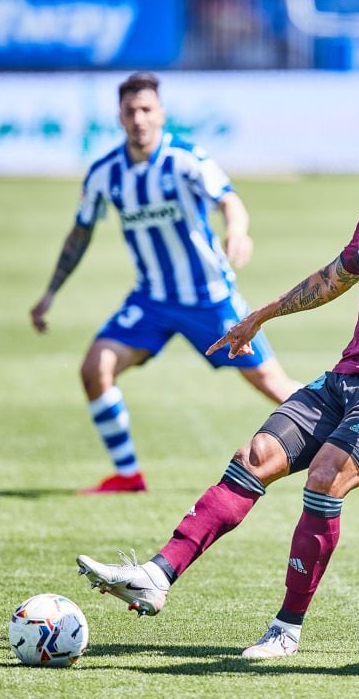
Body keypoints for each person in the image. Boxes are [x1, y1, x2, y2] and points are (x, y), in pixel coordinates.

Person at [74, 108, 359, 657]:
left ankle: (286, 629)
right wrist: (262, 315)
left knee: (326, 477)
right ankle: (157, 574)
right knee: (256, 454)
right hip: (347, 375)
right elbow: (332, 280)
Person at [29, 71, 297, 494]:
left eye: (146, 110)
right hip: (152, 300)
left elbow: (229, 199)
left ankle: (353, 449)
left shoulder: (186, 159)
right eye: (130, 111)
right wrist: (50, 293)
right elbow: (80, 233)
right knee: (95, 368)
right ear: (119, 117)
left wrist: (237, 231)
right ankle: (128, 476)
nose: (139, 118)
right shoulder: (106, 173)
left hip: (211, 299)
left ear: (161, 114)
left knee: (276, 386)